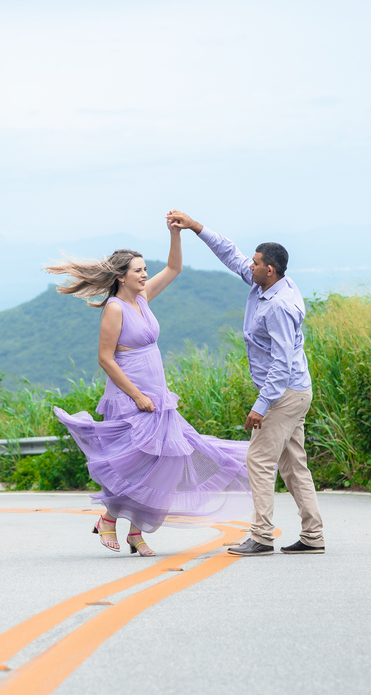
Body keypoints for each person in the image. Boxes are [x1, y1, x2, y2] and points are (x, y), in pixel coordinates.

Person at [46, 218, 251, 557]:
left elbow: (174, 268)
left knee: (164, 465)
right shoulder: (114, 309)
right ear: (121, 276)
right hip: (131, 398)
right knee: (138, 467)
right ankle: (109, 520)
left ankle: (135, 532)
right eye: (138, 270)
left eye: (144, 269)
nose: (144, 275)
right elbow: (105, 359)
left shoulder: (142, 298)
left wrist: (175, 234)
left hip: (158, 397)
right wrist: (137, 396)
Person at [166, 210, 325, 556]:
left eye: (255, 263)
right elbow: (230, 253)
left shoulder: (279, 306)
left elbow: (281, 364)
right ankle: (313, 535)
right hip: (294, 390)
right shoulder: (267, 283)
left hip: (284, 393)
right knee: (293, 466)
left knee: (259, 460)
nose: (248, 266)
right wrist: (195, 227)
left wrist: (260, 406)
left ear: (270, 270)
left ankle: (262, 536)